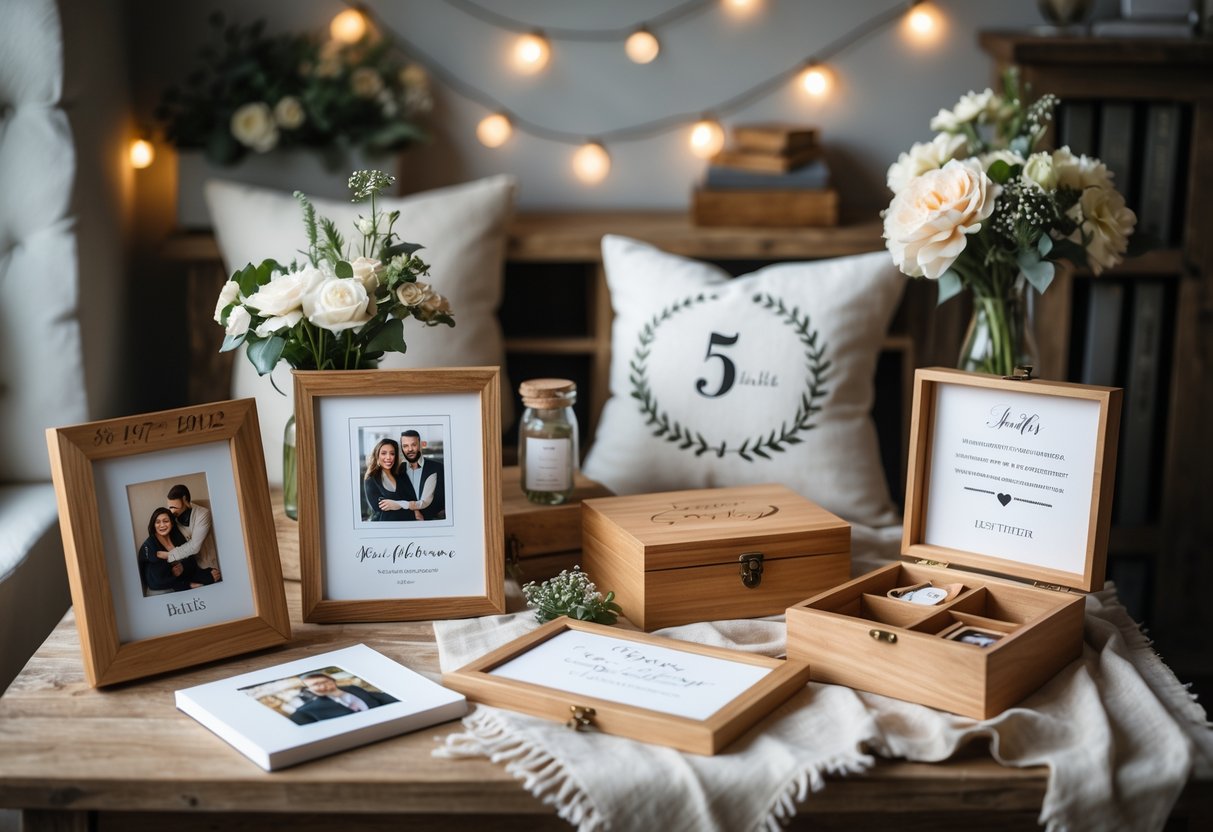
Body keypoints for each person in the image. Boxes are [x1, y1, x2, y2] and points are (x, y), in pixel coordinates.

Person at [138, 507, 217, 593]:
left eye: (166, 521)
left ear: (172, 523)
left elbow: (191, 562)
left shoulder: (178, 538)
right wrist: (173, 570)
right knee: (157, 569)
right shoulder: (149, 543)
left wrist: (181, 566)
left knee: (214, 575)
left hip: (182, 576)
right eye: (157, 522)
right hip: (158, 581)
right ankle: (186, 585)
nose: (162, 525)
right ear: (153, 525)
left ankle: (190, 582)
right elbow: (148, 557)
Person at [156, 484, 221, 583]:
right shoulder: (170, 514)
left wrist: (170, 555)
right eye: (170, 507)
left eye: (174, 507)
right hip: (185, 567)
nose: (171, 511)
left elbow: (194, 546)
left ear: (185, 500)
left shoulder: (203, 514)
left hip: (206, 565)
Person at [288, 672, 398, 724]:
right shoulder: (306, 711)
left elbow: (379, 697)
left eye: (325, 681)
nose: (322, 686)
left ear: (332, 680)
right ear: (308, 689)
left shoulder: (352, 688)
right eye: (315, 685)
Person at [396, 429, 445, 521]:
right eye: (405, 446)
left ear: (420, 444)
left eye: (413, 445)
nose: (410, 449)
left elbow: (443, 499)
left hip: (433, 522)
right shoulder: (397, 470)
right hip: (405, 522)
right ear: (402, 448)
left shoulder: (438, 468)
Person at [362, 438, 410, 521]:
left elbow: (412, 498)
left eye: (392, 453)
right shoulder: (371, 479)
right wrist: (406, 505)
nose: (388, 457)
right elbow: (380, 509)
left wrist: (397, 504)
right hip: (384, 526)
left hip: (408, 523)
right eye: (383, 453)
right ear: (377, 455)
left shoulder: (400, 474)